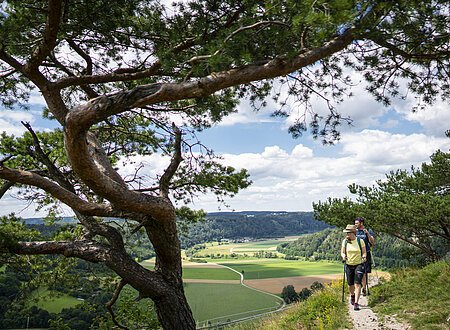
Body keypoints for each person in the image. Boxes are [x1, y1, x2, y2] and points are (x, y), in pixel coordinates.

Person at [341, 224, 366, 311]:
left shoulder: (360, 241)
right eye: (347, 233)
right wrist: (343, 256)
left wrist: (364, 257)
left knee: (357, 283)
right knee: (350, 284)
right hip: (348, 264)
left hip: (358, 264)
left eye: (349, 233)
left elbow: (364, 252)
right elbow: (342, 252)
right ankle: (352, 295)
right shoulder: (345, 241)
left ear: (353, 233)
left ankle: (356, 303)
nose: (347, 234)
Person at [355, 217, 375, 296]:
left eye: (357, 223)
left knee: (364, 272)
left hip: (366, 254)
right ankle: (358, 286)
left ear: (361, 223)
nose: (355, 224)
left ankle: (364, 288)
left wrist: (368, 234)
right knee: (356, 271)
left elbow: (373, 242)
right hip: (356, 254)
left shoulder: (368, 230)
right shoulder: (355, 231)